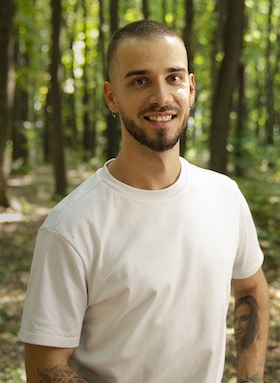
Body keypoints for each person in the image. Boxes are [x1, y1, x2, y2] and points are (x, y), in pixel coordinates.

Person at [19, 20, 269, 383]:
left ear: (191, 87)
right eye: (139, 81)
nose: (161, 97)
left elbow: (250, 286)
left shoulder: (225, 196)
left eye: (174, 78)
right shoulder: (71, 226)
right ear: (111, 97)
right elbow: (45, 367)